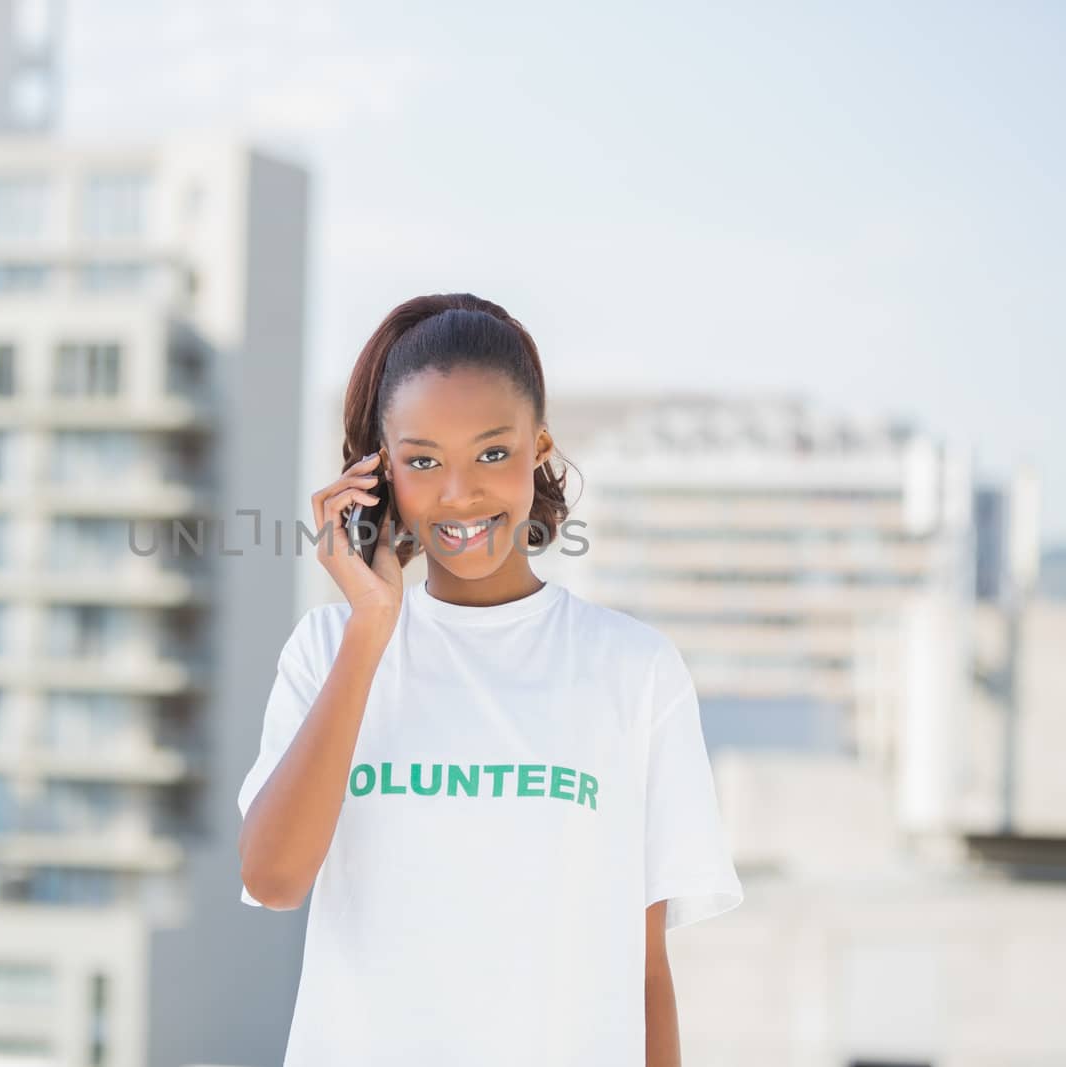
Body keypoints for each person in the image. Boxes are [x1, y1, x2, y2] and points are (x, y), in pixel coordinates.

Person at [236, 293, 743, 1066]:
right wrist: (371, 626)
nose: (458, 492)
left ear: (539, 446)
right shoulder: (328, 650)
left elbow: (643, 971)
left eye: (493, 453)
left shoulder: (634, 670)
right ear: (378, 471)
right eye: (424, 460)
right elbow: (274, 879)